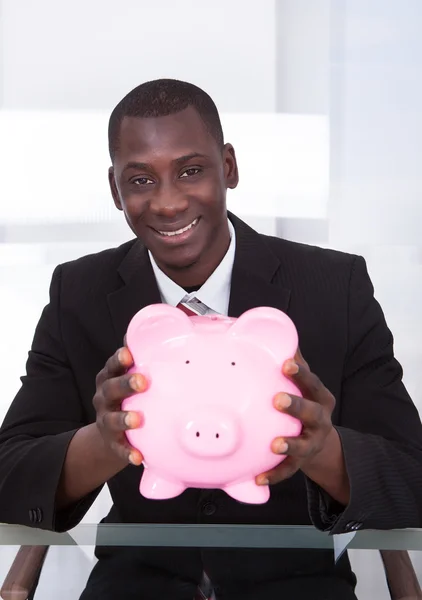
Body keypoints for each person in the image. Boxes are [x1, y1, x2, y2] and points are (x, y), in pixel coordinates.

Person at [0, 79, 422, 600]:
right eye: (141, 180)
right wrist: (106, 442)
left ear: (229, 167)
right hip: (137, 587)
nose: (169, 202)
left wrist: (322, 450)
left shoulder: (334, 287)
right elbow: (9, 476)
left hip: (295, 587)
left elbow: (411, 477)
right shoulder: (79, 293)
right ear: (115, 190)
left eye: (191, 171)